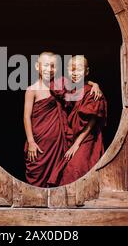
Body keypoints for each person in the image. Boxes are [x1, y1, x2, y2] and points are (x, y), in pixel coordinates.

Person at [24, 52, 102, 187]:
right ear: (37, 66)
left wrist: (94, 84)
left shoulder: (60, 85)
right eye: (46, 65)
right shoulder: (32, 89)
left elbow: (80, 81)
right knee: (37, 178)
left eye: (53, 66)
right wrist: (31, 141)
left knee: (59, 176)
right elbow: (26, 116)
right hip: (39, 141)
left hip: (59, 143)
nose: (49, 69)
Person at [47, 55, 107, 186]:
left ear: (87, 71)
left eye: (79, 69)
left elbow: (92, 121)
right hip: (70, 137)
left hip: (87, 138)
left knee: (75, 171)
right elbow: (52, 83)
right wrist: (93, 82)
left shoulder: (93, 93)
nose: (74, 73)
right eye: (71, 69)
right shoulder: (70, 88)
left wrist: (77, 144)